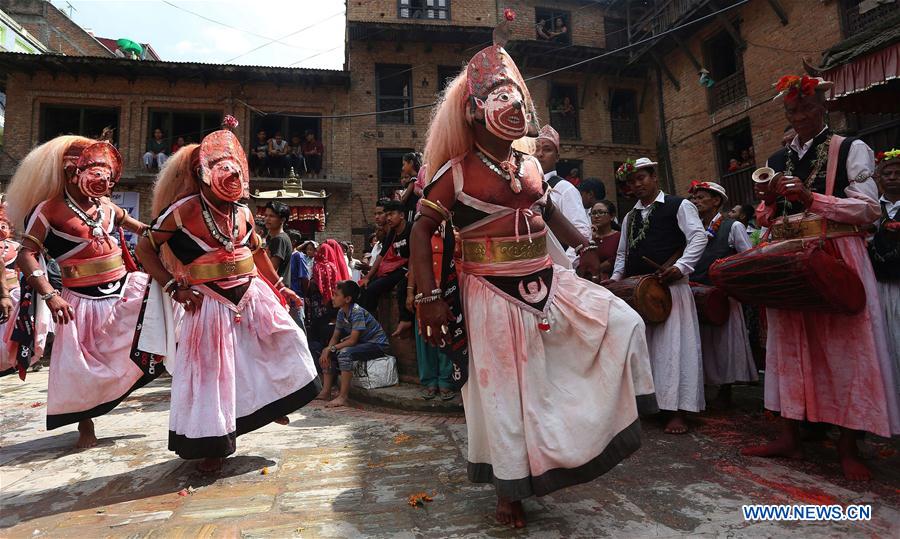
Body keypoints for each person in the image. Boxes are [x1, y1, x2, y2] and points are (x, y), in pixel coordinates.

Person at [412, 31, 655, 528]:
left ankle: (573, 444)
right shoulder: (454, 173)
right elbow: (421, 229)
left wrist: (584, 249)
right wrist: (429, 298)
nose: (516, 106)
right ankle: (510, 489)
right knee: (505, 392)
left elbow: (548, 214)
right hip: (487, 289)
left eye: (518, 98)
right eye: (501, 98)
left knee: (623, 323)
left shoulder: (528, 165)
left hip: (547, 277)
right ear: (475, 111)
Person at [135, 130, 319, 473]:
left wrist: (280, 286)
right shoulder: (183, 211)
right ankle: (212, 446)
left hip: (251, 293)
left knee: (285, 338)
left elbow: (257, 251)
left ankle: (272, 401)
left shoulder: (243, 211)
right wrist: (174, 286)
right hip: (208, 300)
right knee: (213, 374)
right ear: (202, 176)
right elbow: (144, 249)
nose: (230, 178)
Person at [745, 74, 899, 480]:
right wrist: (768, 203)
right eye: (793, 110)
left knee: (845, 348)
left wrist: (812, 198)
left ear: (823, 108)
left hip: (837, 252)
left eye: (807, 108)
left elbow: (868, 210)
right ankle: (789, 434)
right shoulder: (778, 159)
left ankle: (848, 446)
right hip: (790, 254)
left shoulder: (850, 148)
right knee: (789, 344)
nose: (800, 116)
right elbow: (767, 219)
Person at [7, 136, 160, 448]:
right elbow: (25, 254)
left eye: (103, 171)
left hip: (121, 292)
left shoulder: (106, 206)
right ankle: (85, 427)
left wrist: (169, 234)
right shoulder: (48, 210)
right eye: (91, 170)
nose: (100, 178)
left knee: (165, 301)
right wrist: (51, 294)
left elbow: (140, 229)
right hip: (79, 301)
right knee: (79, 367)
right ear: (69, 172)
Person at [609, 157, 707, 435]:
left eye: (642, 178)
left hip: (669, 289)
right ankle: (651, 405)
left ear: (654, 177)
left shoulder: (679, 205)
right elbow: (622, 254)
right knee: (646, 350)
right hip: (638, 291)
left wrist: (681, 267)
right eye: (632, 181)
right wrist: (616, 281)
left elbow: (698, 237)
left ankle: (677, 410)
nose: (637, 185)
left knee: (673, 349)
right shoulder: (630, 216)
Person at [688, 181, 757, 407]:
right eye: (694, 198)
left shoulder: (732, 227)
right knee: (703, 343)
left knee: (725, 343)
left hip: (722, 295)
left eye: (701, 197)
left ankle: (726, 389)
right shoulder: (692, 227)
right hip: (697, 293)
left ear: (716, 201)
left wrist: (727, 274)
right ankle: (706, 387)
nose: (695, 201)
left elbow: (747, 258)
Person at [316, 280, 390, 407]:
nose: (332, 298)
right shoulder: (341, 313)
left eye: (336, 295)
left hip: (377, 344)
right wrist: (328, 349)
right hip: (363, 343)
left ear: (348, 299)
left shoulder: (356, 312)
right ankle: (326, 391)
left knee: (344, 353)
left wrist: (332, 348)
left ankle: (343, 396)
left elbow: (352, 340)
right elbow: (335, 336)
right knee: (327, 352)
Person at [533, 125, 591, 264]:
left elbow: (582, 232)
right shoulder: (528, 187)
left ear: (557, 157)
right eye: (536, 149)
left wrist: (565, 266)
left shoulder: (565, 189)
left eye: (547, 149)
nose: (540, 154)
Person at [869, 149, 900, 382]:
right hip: (881, 285)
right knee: (888, 342)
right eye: (887, 173)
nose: (892, 177)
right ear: (879, 178)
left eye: (898, 173)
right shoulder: (870, 210)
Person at [360, 200, 412, 337]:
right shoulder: (392, 234)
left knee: (400, 287)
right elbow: (381, 256)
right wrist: (367, 277)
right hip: (396, 269)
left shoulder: (412, 229)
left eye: (391, 214)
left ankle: (405, 320)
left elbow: (418, 253)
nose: (388, 218)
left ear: (401, 215)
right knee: (367, 287)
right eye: (387, 214)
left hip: (408, 269)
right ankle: (365, 325)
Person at [305, 242, 340, 358]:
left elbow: (316, 285)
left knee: (317, 329)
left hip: (317, 303)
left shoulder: (318, 266)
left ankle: (318, 354)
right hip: (331, 303)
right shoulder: (333, 266)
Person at [590, 200, 620, 282]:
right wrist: (591, 238)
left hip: (614, 281)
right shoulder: (589, 237)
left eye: (601, 212)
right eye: (593, 213)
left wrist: (598, 268)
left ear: (612, 216)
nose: (596, 216)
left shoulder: (619, 236)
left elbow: (618, 258)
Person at [263, 201, 292, 285]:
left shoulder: (280, 239)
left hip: (277, 289)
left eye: (272, 216)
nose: (267, 219)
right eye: (266, 215)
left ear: (282, 220)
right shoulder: (272, 238)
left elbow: (271, 270)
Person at [400, 152, 423, 224]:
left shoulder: (414, 179)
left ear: (411, 163)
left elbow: (404, 199)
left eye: (404, 164)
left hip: (411, 211)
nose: (403, 168)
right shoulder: (418, 177)